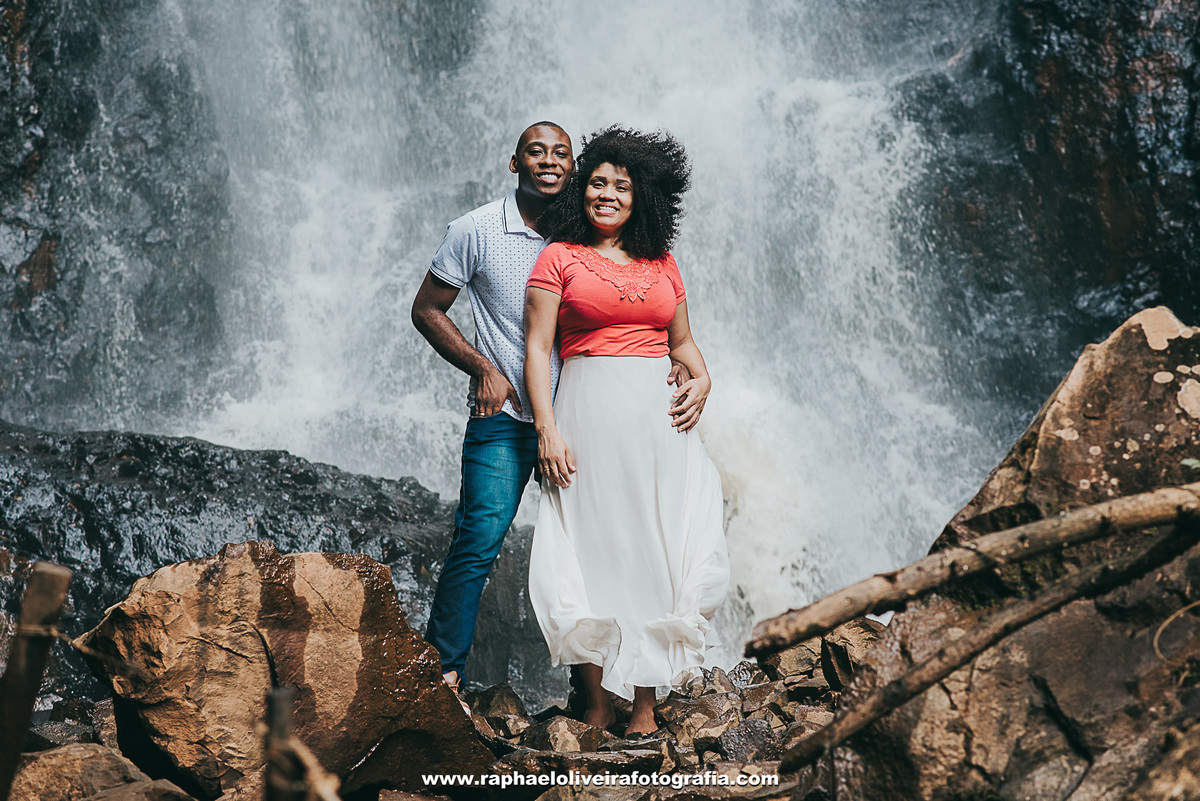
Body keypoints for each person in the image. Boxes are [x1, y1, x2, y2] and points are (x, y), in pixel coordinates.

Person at [523, 125, 730, 737]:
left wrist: (703, 384)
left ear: (642, 197)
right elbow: (537, 350)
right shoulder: (558, 256)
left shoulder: (664, 263)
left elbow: (686, 347)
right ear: (581, 192)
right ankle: (595, 700)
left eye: (621, 185)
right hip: (585, 416)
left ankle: (644, 703)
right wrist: (547, 430)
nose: (606, 194)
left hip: (659, 426)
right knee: (587, 546)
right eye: (596, 183)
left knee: (654, 549)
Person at [411, 122, 575, 697]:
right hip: (504, 424)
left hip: (577, 421)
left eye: (561, 153)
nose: (549, 161)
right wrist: (483, 368)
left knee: (592, 545)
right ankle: (443, 673)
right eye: (537, 151)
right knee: (478, 538)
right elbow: (426, 308)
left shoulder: (586, 231)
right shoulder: (475, 229)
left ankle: (600, 688)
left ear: (573, 168)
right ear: (514, 162)